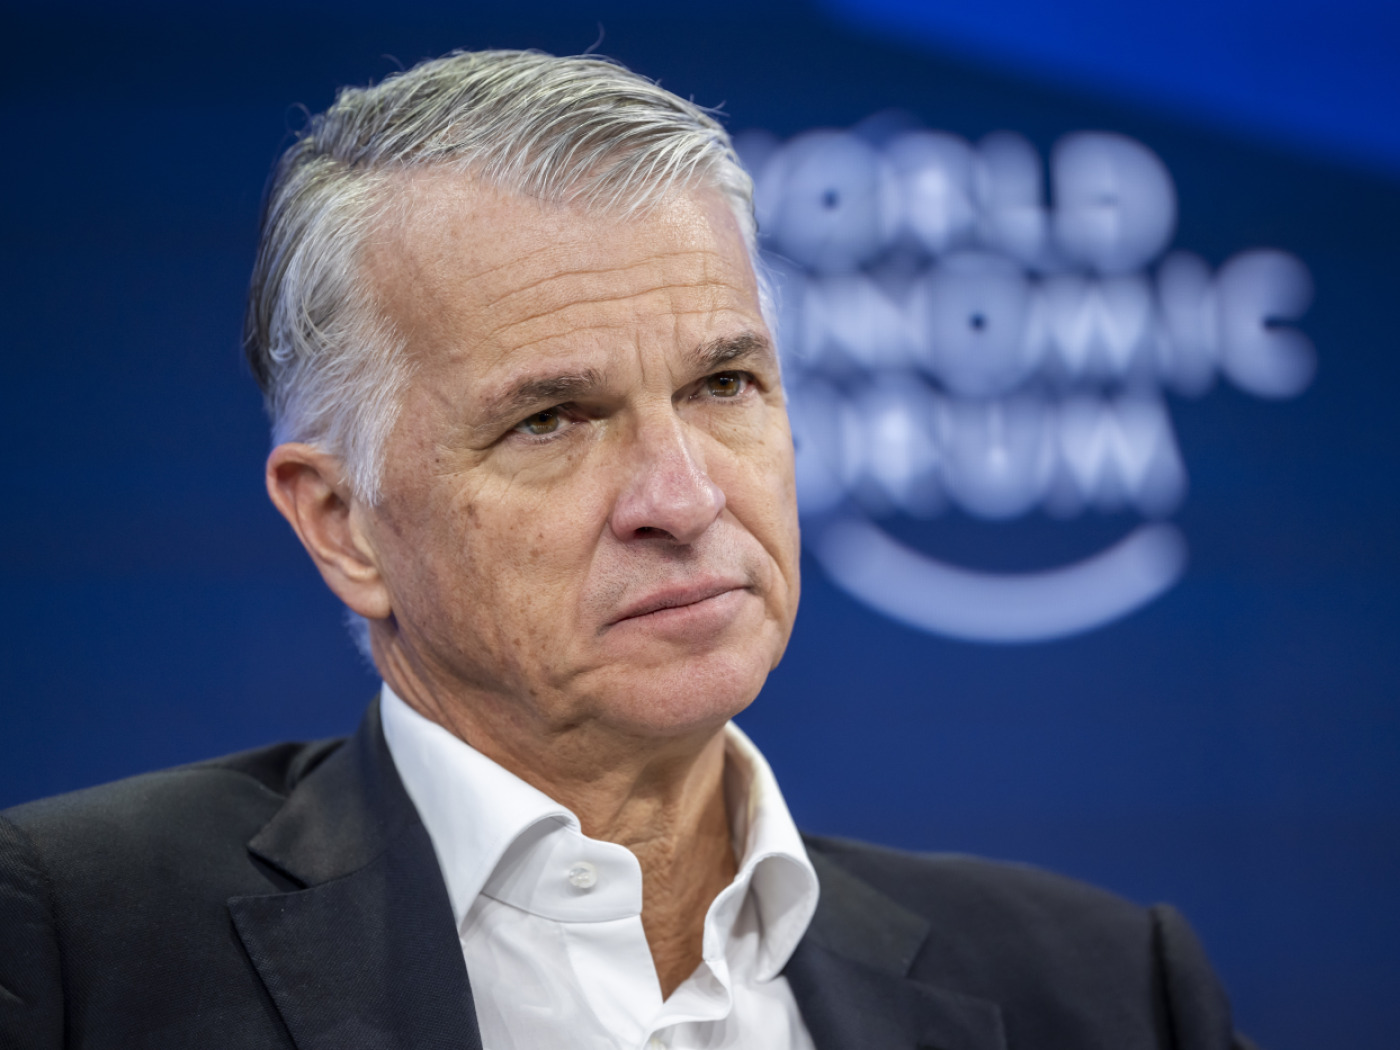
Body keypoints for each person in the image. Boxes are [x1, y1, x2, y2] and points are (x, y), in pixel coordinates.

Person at [0, 50, 1255, 1050]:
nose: (683, 496)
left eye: (723, 384)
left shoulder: (1103, 992)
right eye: (551, 418)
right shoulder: (73, 943)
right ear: (344, 524)